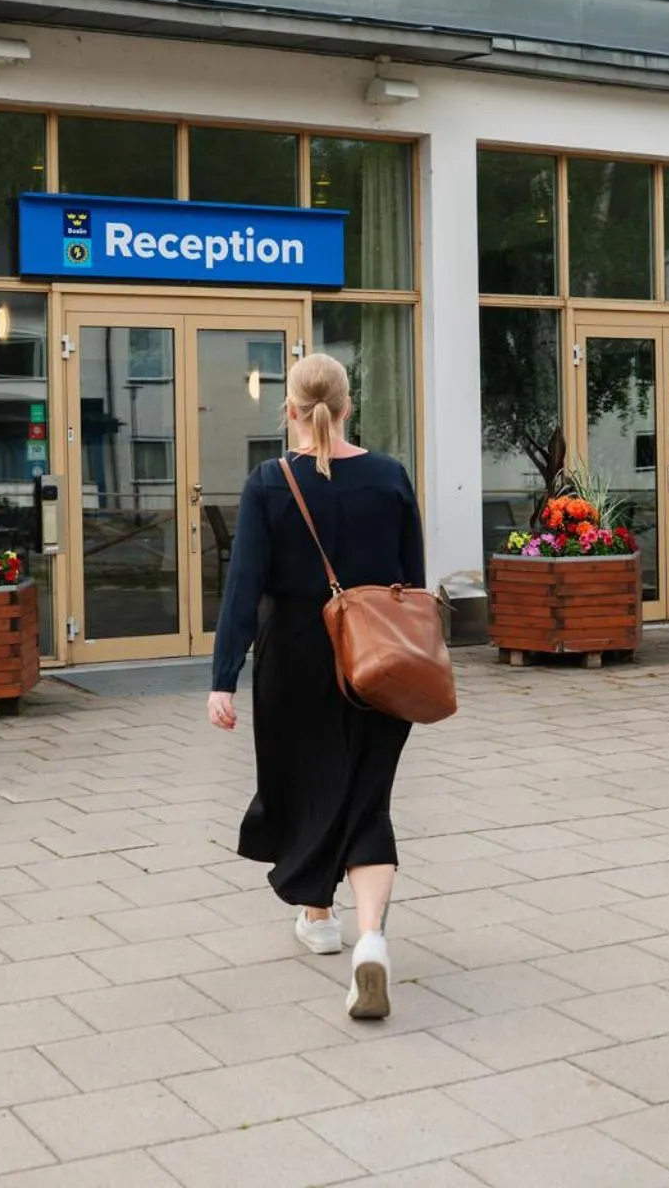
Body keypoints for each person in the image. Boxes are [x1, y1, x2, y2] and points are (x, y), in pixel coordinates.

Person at [208, 354, 424, 1021]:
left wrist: (223, 680)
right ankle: (372, 941)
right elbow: (411, 582)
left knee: (302, 785)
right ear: (348, 404)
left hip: (295, 664)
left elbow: (244, 587)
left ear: (291, 410)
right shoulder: (389, 477)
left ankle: (319, 916)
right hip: (379, 663)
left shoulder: (270, 482)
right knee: (366, 798)